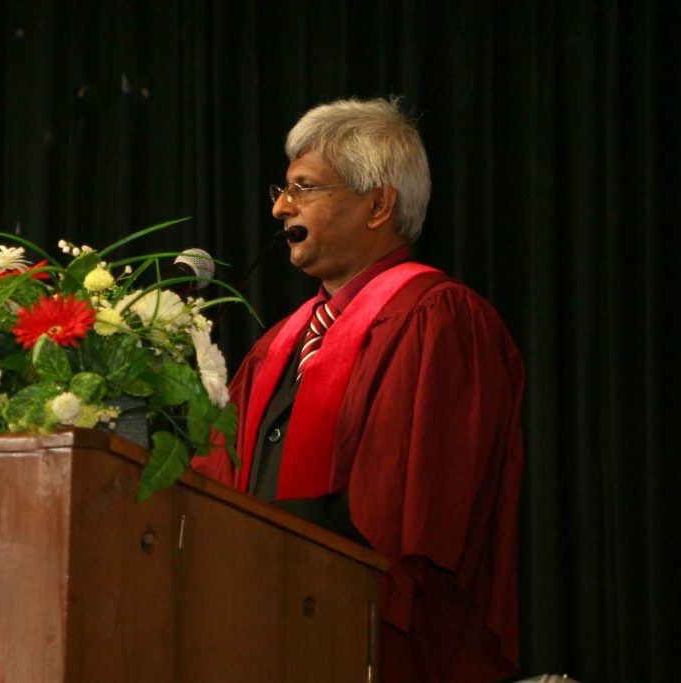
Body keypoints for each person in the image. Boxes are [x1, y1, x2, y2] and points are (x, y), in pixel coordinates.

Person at [192, 97, 524, 682]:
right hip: (261, 632)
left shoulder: (439, 319)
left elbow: (416, 508)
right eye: (282, 188)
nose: (279, 207)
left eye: (303, 188)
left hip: (374, 642)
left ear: (378, 205)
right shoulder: (277, 346)